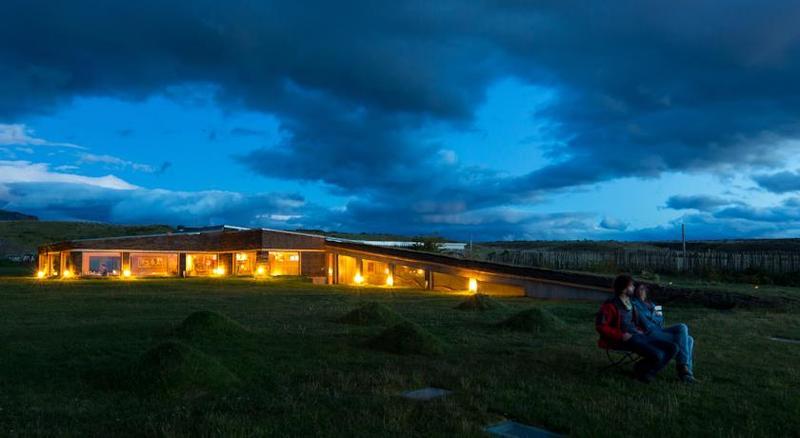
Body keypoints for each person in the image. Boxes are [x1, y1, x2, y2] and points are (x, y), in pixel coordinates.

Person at [596, 274, 678, 383]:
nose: (634, 288)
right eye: (631, 286)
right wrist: (621, 335)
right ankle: (643, 371)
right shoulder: (610, 305)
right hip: (623, 339)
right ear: (624, 289)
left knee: (673, 348)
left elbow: (636, 322)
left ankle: (646, 372)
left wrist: (641, 329)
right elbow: (601, 326)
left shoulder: (630, 303)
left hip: (638, 335)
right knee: (658, 354)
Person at [633, 284, 697, 383]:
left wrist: (651, 317)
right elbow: (645, 323)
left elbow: (661, 320)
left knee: (682, 327)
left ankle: (685, 369)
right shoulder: (635, 304)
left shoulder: (653, 304)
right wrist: (654, 316)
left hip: (659, 329)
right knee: (688, 340)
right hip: (649, 332)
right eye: (638, 288)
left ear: (646, 292)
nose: (640, 291)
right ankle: (685, 371)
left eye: (642, 289)